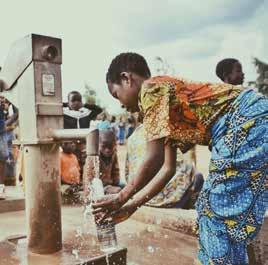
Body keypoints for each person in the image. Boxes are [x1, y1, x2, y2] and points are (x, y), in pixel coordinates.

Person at [93, 52, 267, 265]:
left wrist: (121, 197)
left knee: (213, 213)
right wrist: (131, 206)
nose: (120, 104)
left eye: (116, 94)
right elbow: (167, 169)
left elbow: (153, 158)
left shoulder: (150, 89)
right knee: (228, 217)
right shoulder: (165, 108)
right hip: (254, 119)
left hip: (244, 120)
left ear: (127, 78)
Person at [125, 121, 203, 208]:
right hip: (168, 198)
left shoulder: (134, 135)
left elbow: (127, 173)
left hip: (137, 195)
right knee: (198, 177)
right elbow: (189, 165)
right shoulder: (175, 128)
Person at [98, 130, 123, 194]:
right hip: (98, 187)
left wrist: (115, 183)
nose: (107, 150)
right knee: (118, 191)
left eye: (110, 147)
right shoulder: (95, 157)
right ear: (99, 144)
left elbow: (116, 170)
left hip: (110, 184)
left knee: (127, 187)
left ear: (115, 145)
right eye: (104, 146)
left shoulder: (114, 154)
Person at [0, 100, 8, 199]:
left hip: (1, 133)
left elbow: (17, 112)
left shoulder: (4, 97)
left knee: (1, 160)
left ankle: (1, 188)